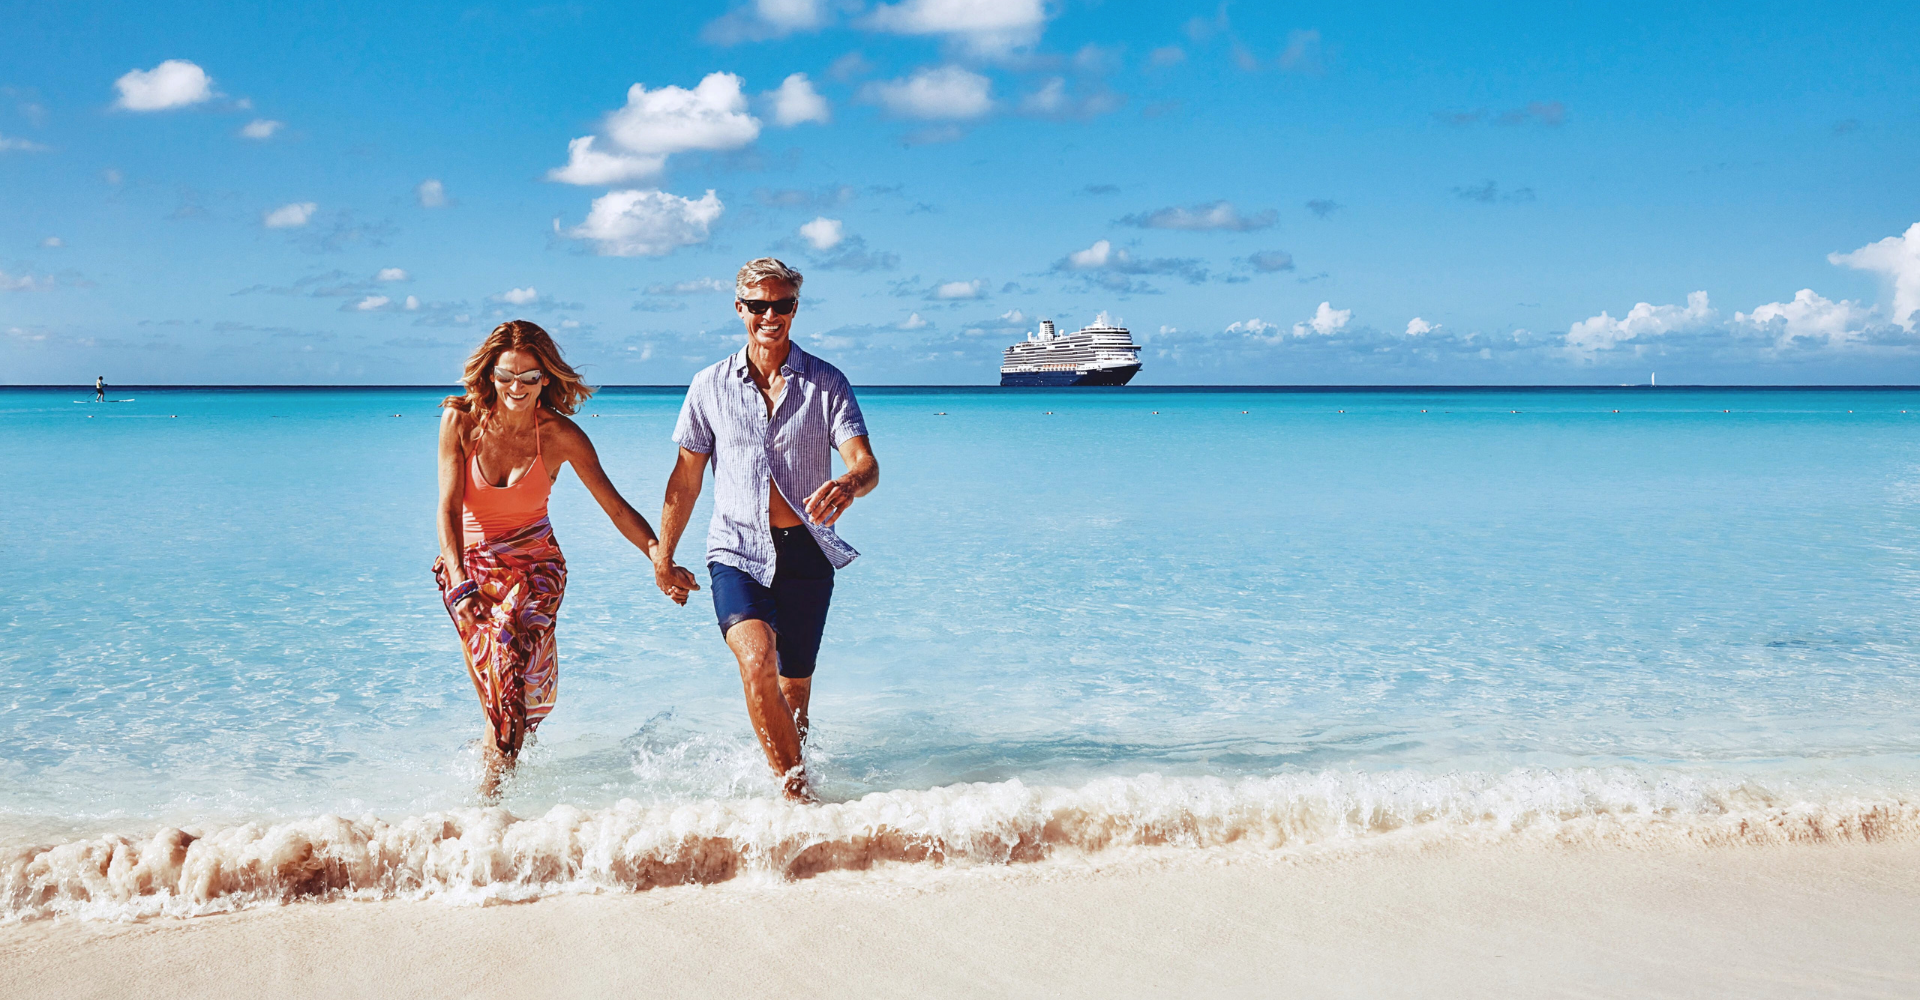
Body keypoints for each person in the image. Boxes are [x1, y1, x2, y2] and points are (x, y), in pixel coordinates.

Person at [652, 258, 878, 802]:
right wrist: (664, 555)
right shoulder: (709, 385)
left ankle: (793, 784)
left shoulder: (827, 383)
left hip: (807, 553)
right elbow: (685, 478)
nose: (770, 316)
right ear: (740, 309)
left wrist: (850, 483)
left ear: (795, 308)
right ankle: (798, 803)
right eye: (758, 305)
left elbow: (865, 463)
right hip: (736, 551)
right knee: (757, 662)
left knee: (794, 689)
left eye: (782, 305)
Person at [435, 320, 666, 799]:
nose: (516, 387)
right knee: (501, 691)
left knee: (509, 676)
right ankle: (493, 793)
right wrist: (458, 582)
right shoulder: (461, 422)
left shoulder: (561, 436)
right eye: (506, 376)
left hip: (536, 573)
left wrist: (658, 556)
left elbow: (615, 507)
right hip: (472, 573)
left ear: (546, 378)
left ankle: (489, 804)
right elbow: (448, 509)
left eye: (529, 377)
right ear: (490, 375)